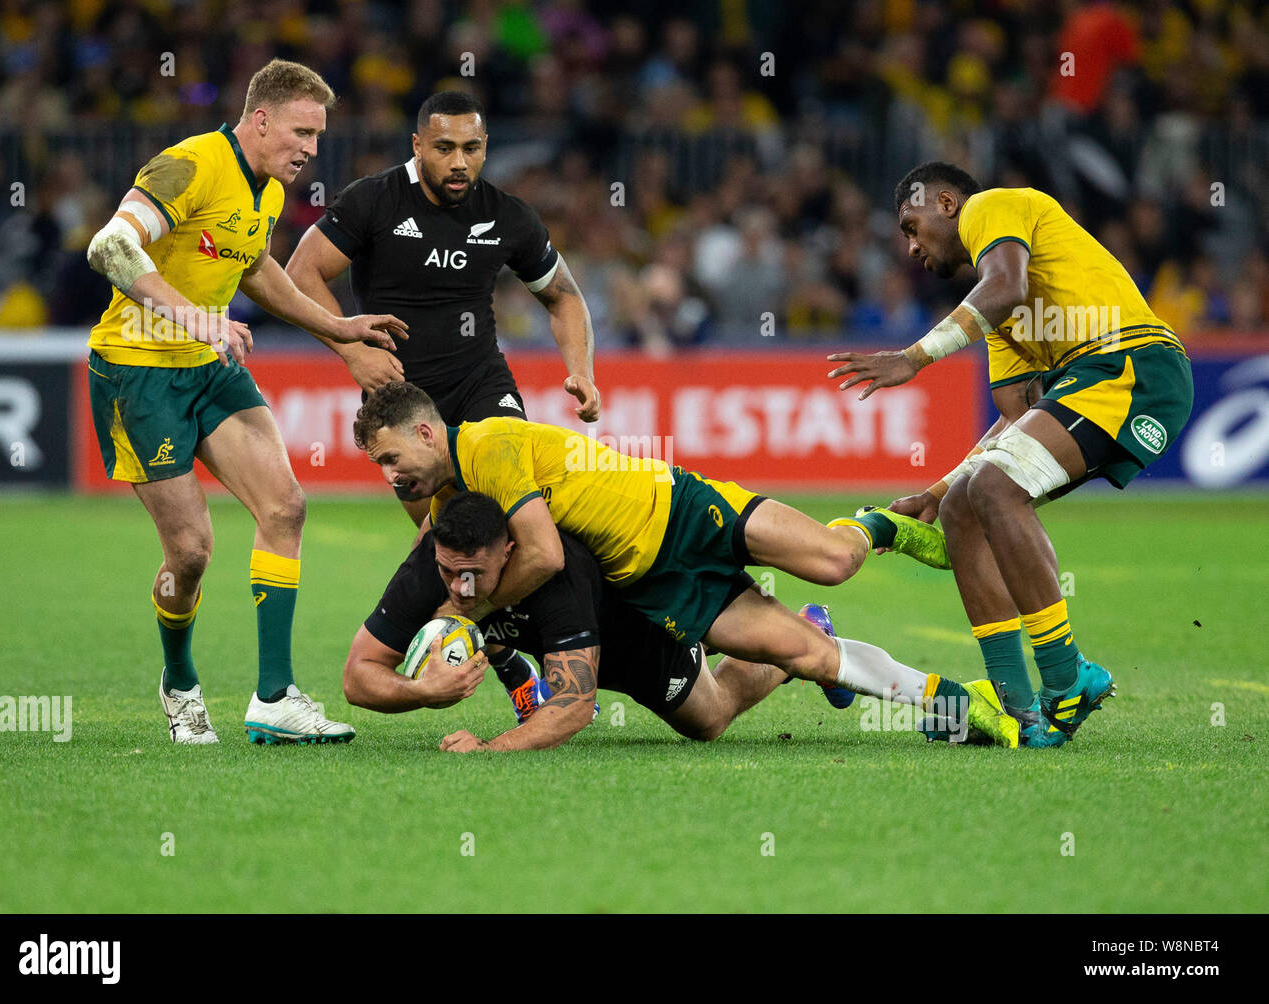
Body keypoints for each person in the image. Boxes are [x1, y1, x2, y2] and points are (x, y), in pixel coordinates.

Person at [350, 382, 1022, 747]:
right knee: (809, 654)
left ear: (427, 432)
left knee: (836, 559)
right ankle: (956, 707)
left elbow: (546, 555)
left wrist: (465, 617)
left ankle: (886, 525)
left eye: (389, 456)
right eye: (375, 465)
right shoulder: (448, 503)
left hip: (680, 507)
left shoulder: (489, 445)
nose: (386, 474)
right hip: (654, 580)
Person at [85, 58, 406, 745]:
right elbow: (109, 246)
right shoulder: (189, 163)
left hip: (208, 367)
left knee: (285, 506)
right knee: (192, 554)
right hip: (137, 372)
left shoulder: (265, 188)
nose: (311, 149)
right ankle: (179, 683)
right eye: (301, 131)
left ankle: (273, 698)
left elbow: (253, 265)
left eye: (317, 136)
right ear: (259, 120)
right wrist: (195, 317)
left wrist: (337, 326)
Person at [827, 161, 1194, 747]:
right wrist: (936, 491)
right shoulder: (999, 313)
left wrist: (914, 357)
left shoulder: (992, 207)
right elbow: (1015, 416)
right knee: (965, 507)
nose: (912, 247)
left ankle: (1068, 677)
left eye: (912, 226)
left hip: (1133, 366)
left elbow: (1006, 284)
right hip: (1090, 377)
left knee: (997, 488)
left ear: (947, 202)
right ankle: (1017, 707)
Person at [343, 492, 1006, 752]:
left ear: (511, 551)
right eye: (447, 570)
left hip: (642, 627)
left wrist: (488, 752)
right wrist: (420, 693)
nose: (460, 588)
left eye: (475, 574)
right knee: (740, 694)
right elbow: (357, 677)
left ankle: (930, 693)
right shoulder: (431, 571)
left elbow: (572, 710)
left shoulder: (557, 570)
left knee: (709, 719)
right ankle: (813, 634)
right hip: (588, 634)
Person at [286, 90, 600, 526]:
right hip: (399, 399)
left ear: (485, 146)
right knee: (448, 538)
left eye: (471, 149)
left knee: (515, 523)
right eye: (444, 148)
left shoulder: (508, 217)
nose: (459, 162)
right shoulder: (373, 200)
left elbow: (564, 297)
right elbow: (300, 274)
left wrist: (581, 370)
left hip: (482, 387)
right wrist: (354, 351)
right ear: (418, 146)